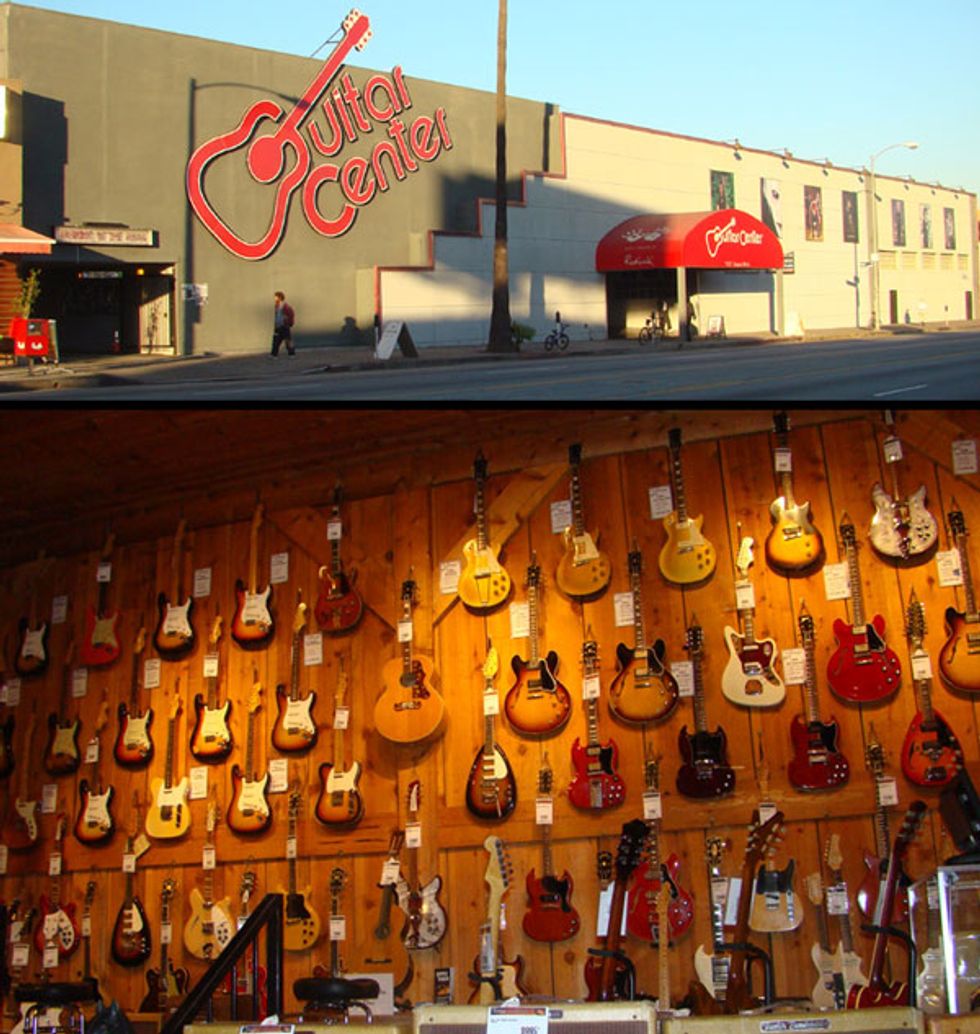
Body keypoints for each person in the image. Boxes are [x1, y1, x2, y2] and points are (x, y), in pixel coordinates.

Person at [271, 291, 295, 357]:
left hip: (284, 325)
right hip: (278, 326)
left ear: (279, 297)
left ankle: (291, 354)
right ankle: (274, 354)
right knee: (276, 340)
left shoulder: (284, 306)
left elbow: (291, 314)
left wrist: (288, 322)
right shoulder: (276, 306)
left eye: (275, 297)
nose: (274, 298)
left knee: (288, 341)